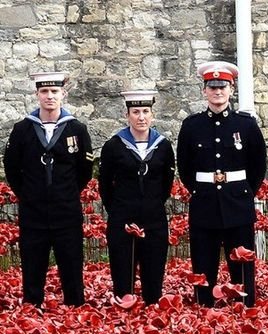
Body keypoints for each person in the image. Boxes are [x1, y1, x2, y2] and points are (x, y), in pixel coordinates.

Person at [176, 61, 266, 307]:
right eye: (212, 87)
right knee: (203, 266)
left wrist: (245, 193)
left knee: (242, 267)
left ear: (231, 89)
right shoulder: (192, 126)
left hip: (237, 204)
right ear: (204, 90)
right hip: (204, 204)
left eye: (222, 87)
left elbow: (258, 165)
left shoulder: (246, 124)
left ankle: (245, 309)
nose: (217, 91)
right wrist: (199, 190)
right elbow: (185, 167)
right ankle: (203, 309)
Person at [3, 71, 94, 307]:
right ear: (37, 95)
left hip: (66, 212)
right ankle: (32, 310)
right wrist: (28, 194)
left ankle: (75, 308)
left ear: (63, 94)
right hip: (33, 213)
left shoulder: (77, 129)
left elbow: (84, 170)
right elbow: (12, 167)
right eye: (44, 91)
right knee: (32, 266)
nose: (49, 96)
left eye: (54, 91)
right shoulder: (22, 129)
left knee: (72, 265)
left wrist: (66, 193)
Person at [98, 90, 176, 304]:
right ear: (127, 115)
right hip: (122, 219)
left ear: (152, 114)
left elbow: (166, 183)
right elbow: (105, 185)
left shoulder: (163, 146)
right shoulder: (113, 146)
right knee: (123, 276)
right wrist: (118, 210)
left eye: (145, 111)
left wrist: (151, 205)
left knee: (154, 277)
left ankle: (151, 312)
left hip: (154, 219)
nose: (141, 117)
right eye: (136, 112)